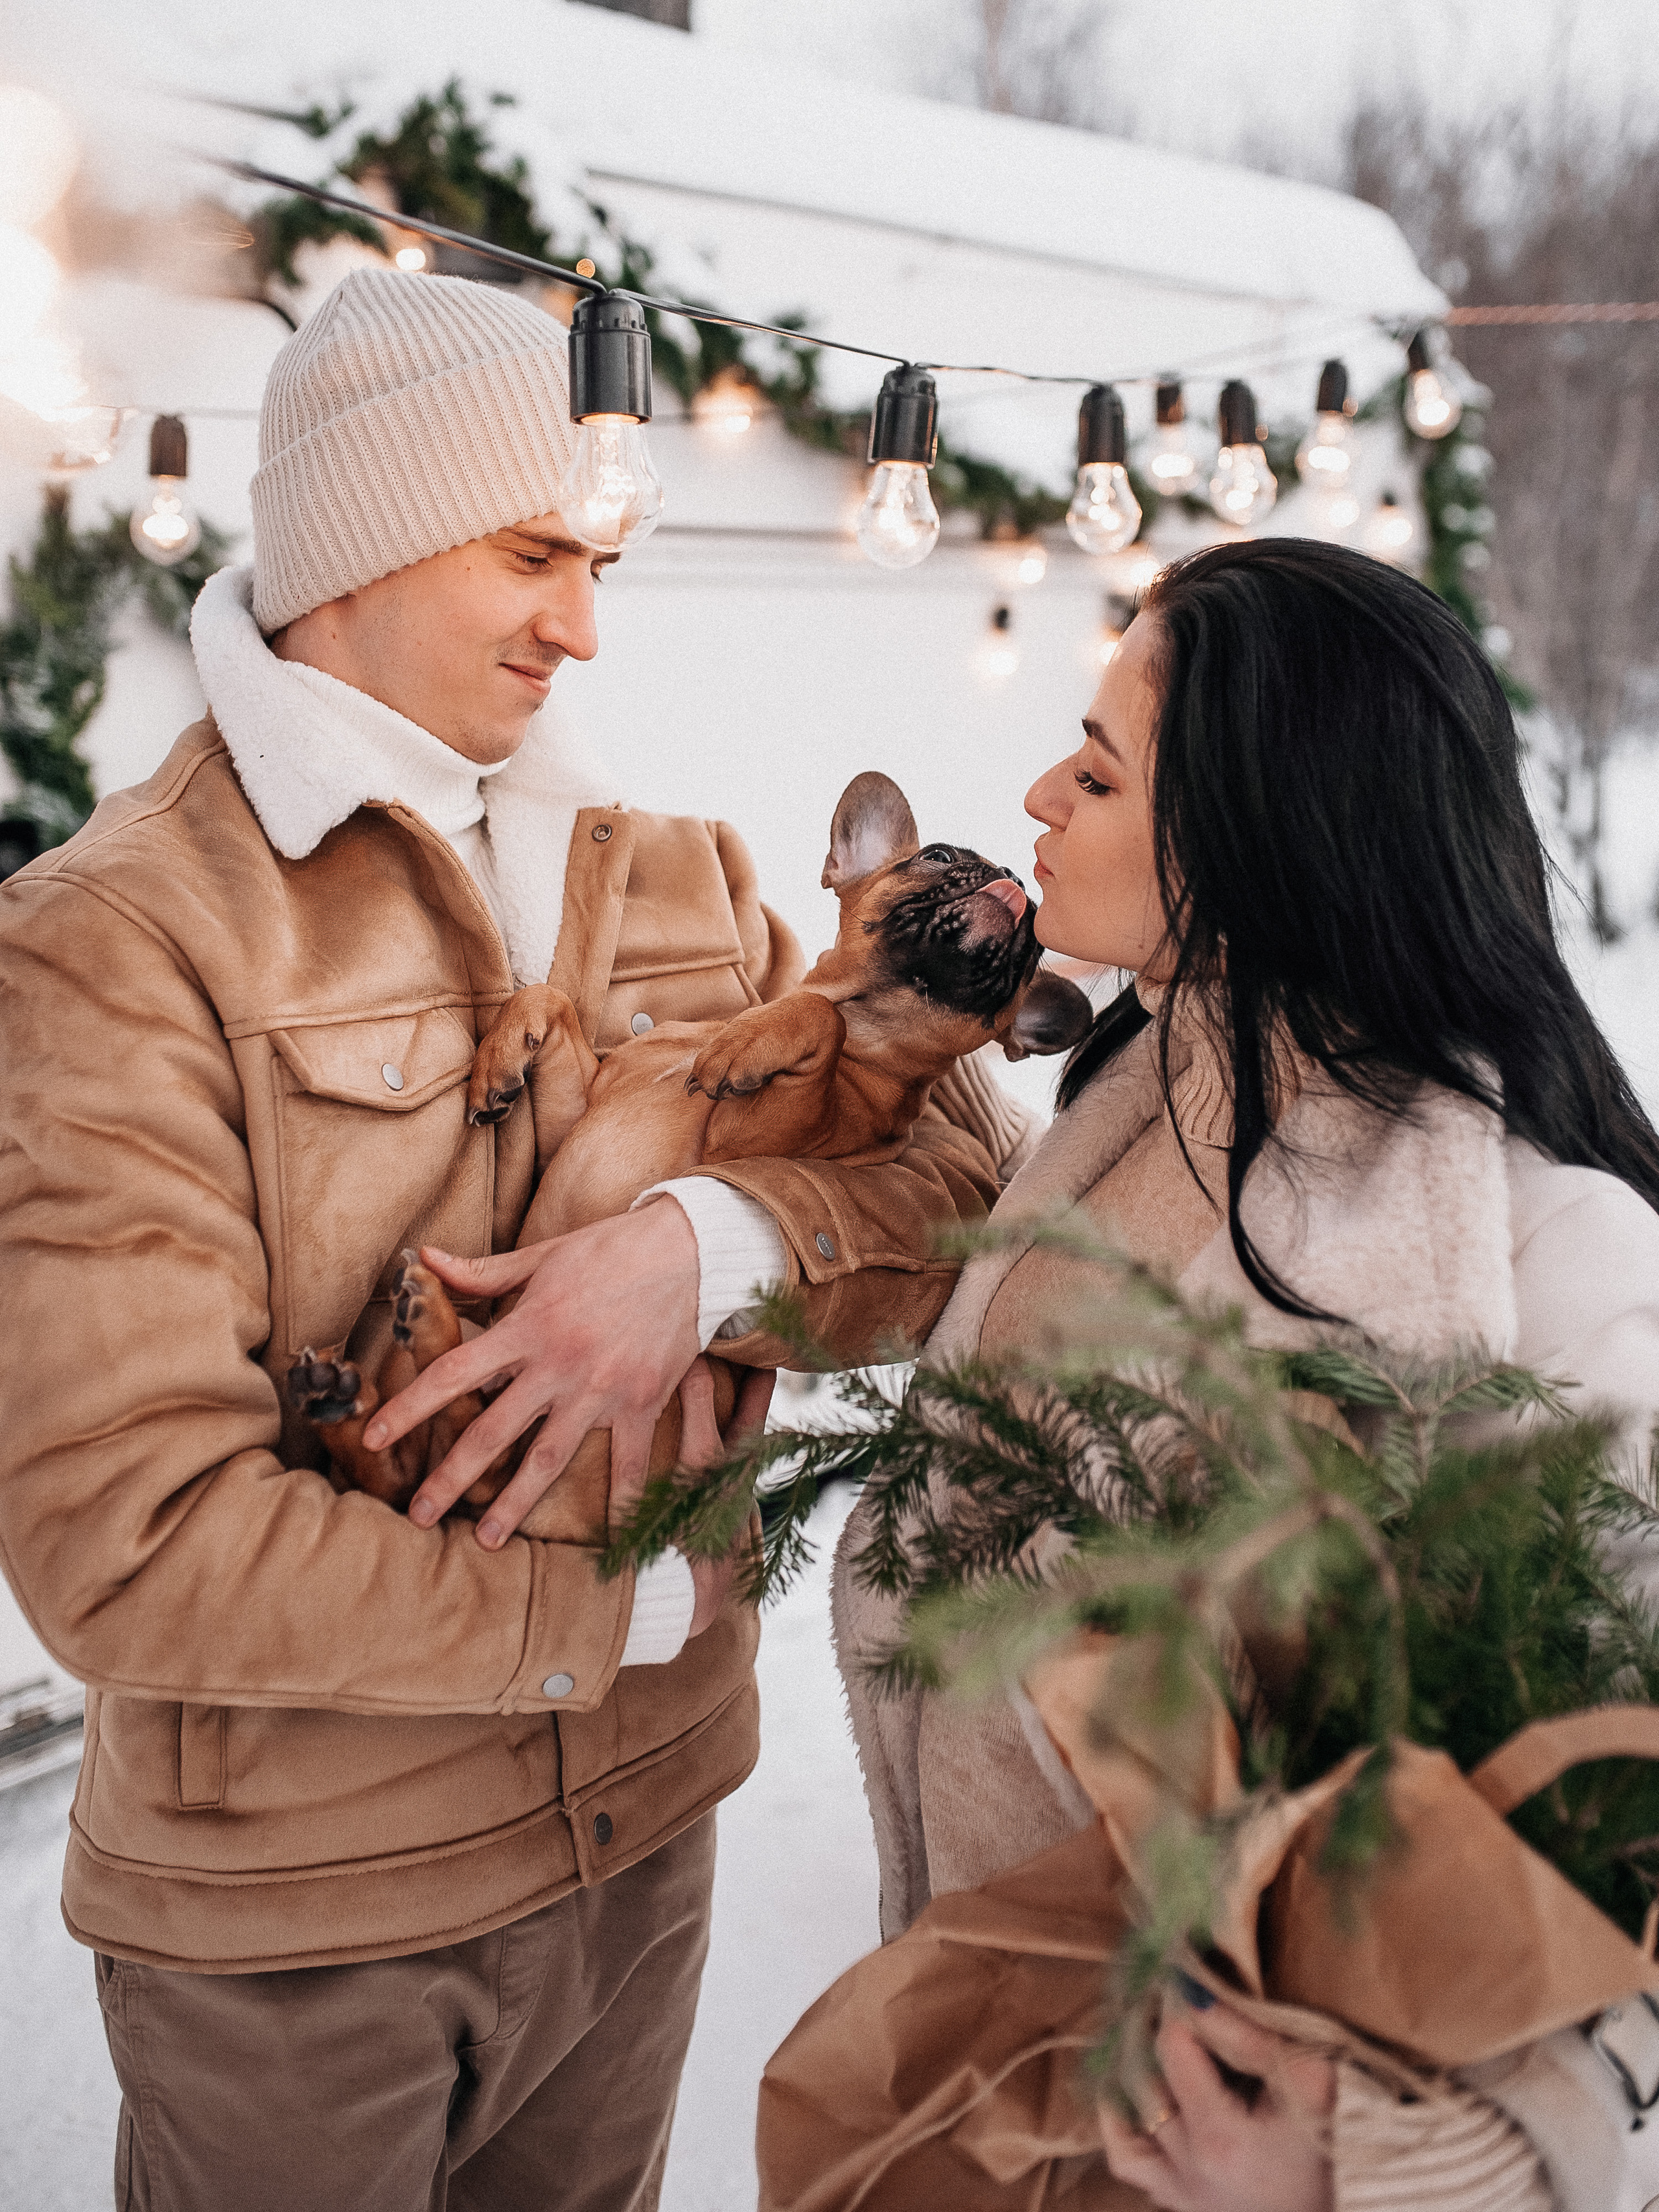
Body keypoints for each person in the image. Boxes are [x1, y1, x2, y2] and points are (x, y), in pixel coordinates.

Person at [0, 267, 1025, 2212]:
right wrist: (605, 1618)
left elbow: (969, 1202)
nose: (584, 624)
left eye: (595, 559)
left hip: (642, 1856)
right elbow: (114, 1537)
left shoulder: (682, 873)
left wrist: (707, 1243)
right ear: (366, 545)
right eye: (532, 557)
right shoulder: (122, 937)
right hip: (303, 1928)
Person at [830, 537, 1659, 2210]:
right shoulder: (1100, 1131)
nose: (1041, 796)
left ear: (1258, 827)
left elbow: (1631, 1824)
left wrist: (1436, 2160)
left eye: (1102, 767)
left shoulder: (1549, 1261)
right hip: (980, 2097)